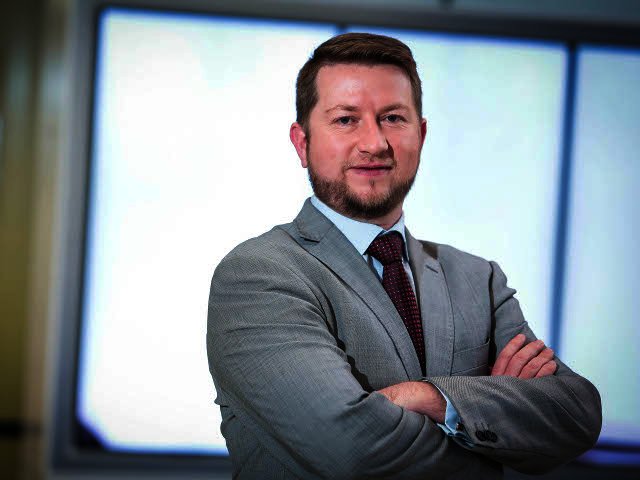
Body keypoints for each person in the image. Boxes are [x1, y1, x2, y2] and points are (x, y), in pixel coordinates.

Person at [206, 32, 601, 479]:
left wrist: (429, 397)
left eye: (393, 118)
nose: (374, 143)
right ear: (302, 143)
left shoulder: (478, 279)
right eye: (345, 120)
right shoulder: (258, 275)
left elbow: (577, 414)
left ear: (422, 134)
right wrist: (489, 426)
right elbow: (350, 451)